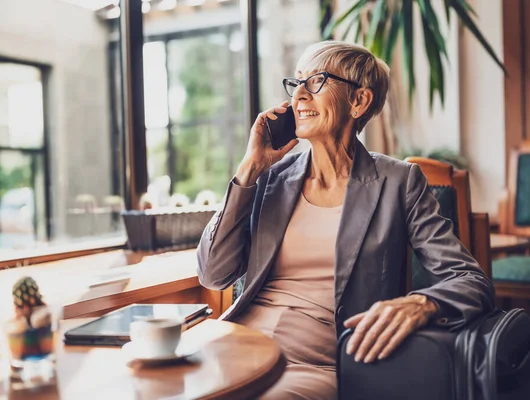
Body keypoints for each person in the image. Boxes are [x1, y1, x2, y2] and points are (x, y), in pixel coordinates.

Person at [197, 41, 495, 399]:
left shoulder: (399, 182)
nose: (299, 96)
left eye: (317, 81)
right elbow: (213, 273)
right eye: (297, 83)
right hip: (235, 343)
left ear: (358, 101)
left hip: (314, 362)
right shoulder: (270, 177)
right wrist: (250, 168)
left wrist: (422, 303)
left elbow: (470, 279)